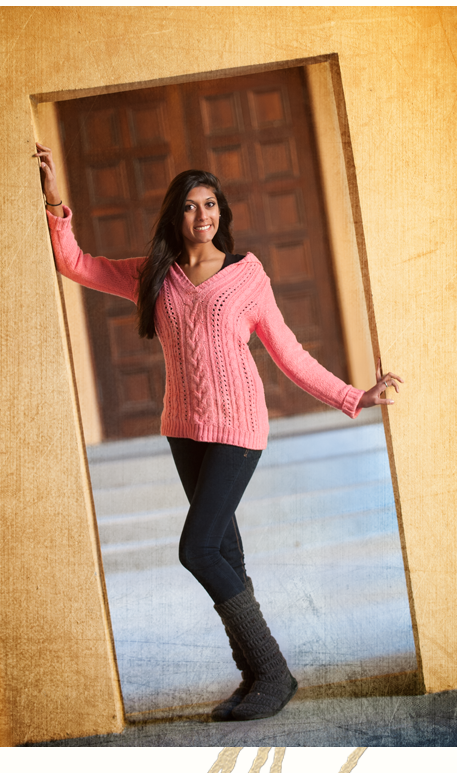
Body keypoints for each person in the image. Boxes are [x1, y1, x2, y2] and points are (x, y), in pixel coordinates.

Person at [35, 142, 404, 722]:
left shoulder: (246, 275)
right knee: (227, 550)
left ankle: (274, 671)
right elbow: (76, 263)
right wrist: (55, 200)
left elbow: (289, 354)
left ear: (221, 213)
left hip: (238, 428)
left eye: (211, 204)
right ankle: (256, 678)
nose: (202, 215)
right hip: (183, 430)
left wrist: (353, 395)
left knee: (198, 547)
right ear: (175, 215)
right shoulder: (154, 275)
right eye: (190, 205)